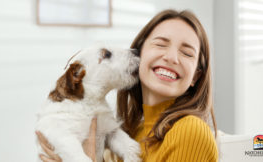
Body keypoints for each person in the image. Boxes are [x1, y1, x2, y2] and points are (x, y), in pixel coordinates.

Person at [36, 9, 218, 162]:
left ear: (196, 76)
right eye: (161, 44)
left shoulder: (191, 132)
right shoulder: (134, 131)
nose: (171, 57)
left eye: (187, 53)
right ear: (139, 53)